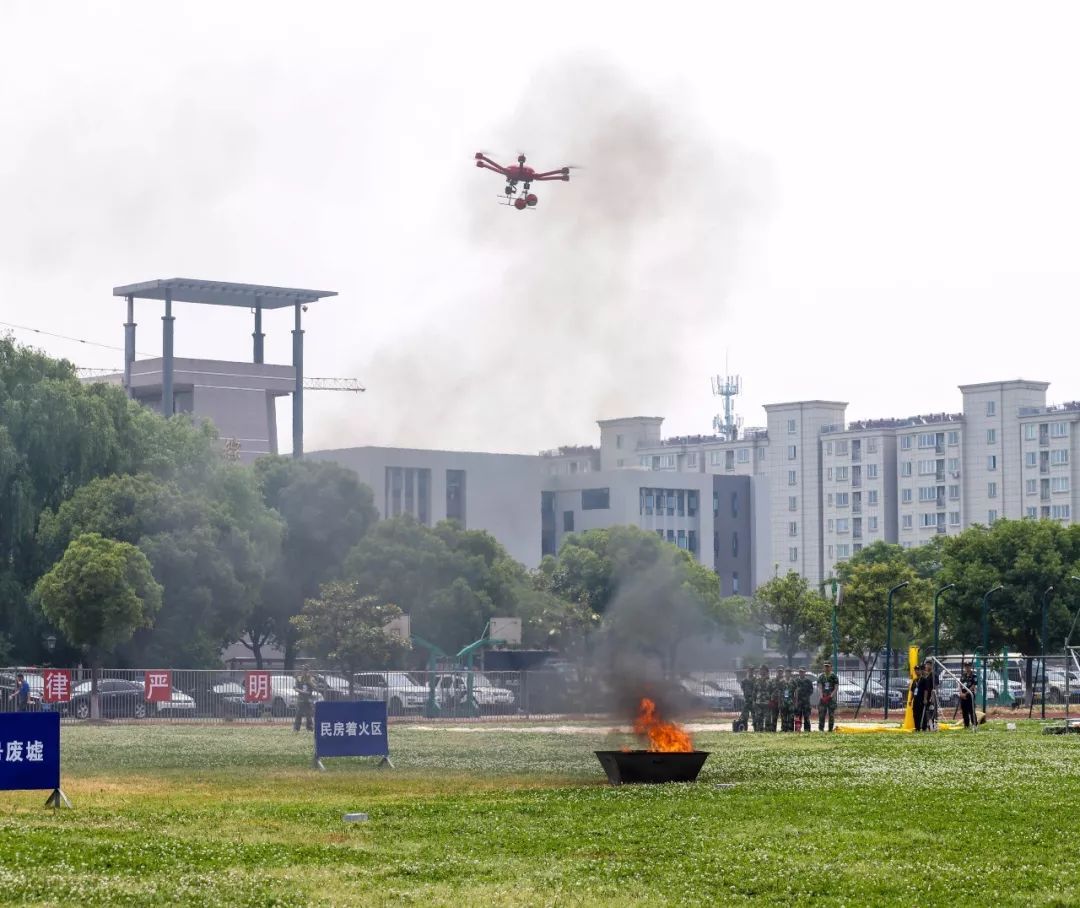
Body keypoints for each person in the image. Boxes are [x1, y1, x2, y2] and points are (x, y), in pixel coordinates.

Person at [817, 661, 839, 732]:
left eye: (828, 666)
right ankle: (821, 729)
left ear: (831, 667)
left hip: (831, 699)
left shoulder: (834, 676)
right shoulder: (821, 676)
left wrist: (830, 696)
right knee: (821, 715)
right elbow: (819, 687)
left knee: (831, 715)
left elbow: (836, 688)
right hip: (823, 699)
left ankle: (830, 729)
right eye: (825, 666)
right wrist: (822, 697)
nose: (826, 668)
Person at [959, 660, 978, 728]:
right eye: (966, 666)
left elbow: (973, 686)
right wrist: (961, 693)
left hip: (970, 695)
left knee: (971, 710)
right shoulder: (963, 675)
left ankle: (974, 724)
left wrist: (966, 693)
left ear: (971, 667)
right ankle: (966, 725)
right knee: (964, 711)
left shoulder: (974, 675)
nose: (967, 668)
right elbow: (960, 685)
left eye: (968, 666)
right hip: (962, 695)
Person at [795, 667, 814, 732]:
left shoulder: (808, 681)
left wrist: (806, 696)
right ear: (799, 673)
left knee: (806, 717)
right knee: (798, 717)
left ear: (805, 672)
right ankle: (798, 729)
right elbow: (793, 690)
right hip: (798, 702)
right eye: (800, 672)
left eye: (802, 672)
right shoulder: (796, 681)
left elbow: (811, 690)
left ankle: (807, 730)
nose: (801, 673)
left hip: (806, 702)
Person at [753, 666, 771, 733]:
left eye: (763, 670)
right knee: (759, 718)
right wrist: (754, 701)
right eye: (761, 670)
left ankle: (767, 732)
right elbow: (754, 692)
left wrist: (771, 700)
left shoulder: (770, 681)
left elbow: (773, 691)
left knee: (767, 719)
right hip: (758, 703)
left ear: (766, 671)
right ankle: (759, 731)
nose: (762, 671)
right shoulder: (757, 680)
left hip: (767, 703)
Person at [911, 664, 925, 732]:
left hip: (921, 699)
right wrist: (910, 700)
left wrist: (925, 699)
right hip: (915, 700)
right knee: (915, 714)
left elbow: (926, 690)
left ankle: (922, 727)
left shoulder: (923, 679)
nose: (917, 671)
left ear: (921, 671)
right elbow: (912, 691)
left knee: (921, 713)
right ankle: (917, 727)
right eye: (915, 670)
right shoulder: (914, 680)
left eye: (918, 670)